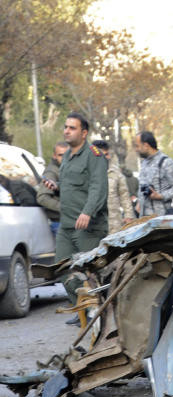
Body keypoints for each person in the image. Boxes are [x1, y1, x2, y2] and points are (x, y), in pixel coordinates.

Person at [42, 112, 108, 312]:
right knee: (62, 270)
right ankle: (86, 310)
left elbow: (98, 187)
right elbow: (75, 186)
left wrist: (87, 212)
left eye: (72, 128)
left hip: (87, 225)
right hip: (67, 224)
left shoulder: (94, 155)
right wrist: (57, 186)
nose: (66, 131)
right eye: (65, 127)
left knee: (91, 273)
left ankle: (101, 311)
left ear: (84, 133)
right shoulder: (68, 156)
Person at [134, 131, 173, 217]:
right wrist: (139, 202)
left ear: (146, 145)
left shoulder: (166, 163)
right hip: (145, 218)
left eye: (137, 146)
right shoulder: (144, 163)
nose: (136, 149)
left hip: (163, 219)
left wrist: (160, 196)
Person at [91, 140, 135, 232]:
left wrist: (129, 216)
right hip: (93, 225)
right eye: (103, 155)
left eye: (107, 154)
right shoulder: (87, 173)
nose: (107, 157)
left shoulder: (115, 172)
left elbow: (124, 196)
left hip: (114, 224)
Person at [36, 141, 69, 234]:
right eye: (61, 155)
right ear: (54, 156)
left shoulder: (67, 168)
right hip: (59, 223)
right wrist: (66, 208)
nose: (64, 158)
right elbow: (42, 198)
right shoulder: (52, 172)